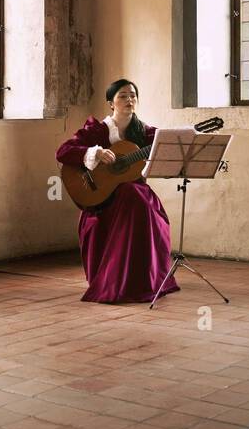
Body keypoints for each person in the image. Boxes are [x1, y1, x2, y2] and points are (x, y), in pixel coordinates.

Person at [55, 78, 179, 305]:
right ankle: (117, 281)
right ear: (111, 102)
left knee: (134, 195)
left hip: (136, 196)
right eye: (123, 96)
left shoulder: (146, 132)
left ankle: (143, 280)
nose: (129, 100)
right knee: (132, 196)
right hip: (103, 198)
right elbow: (63, 152)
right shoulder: (97, 130)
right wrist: (96, 153)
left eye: (133, 95)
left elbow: (168, 148)